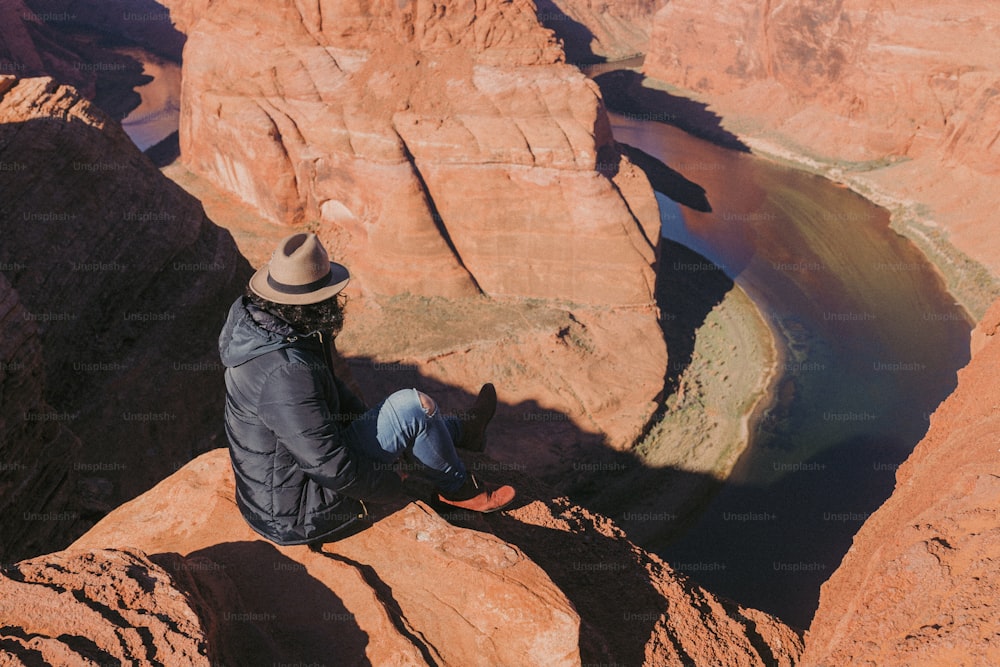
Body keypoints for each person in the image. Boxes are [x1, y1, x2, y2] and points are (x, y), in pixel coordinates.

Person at [218, 232, 516, 546]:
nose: (336, 300)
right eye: (330, 294)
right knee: (413, 407)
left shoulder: (266, 329)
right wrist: (389, 483)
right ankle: (460, 492)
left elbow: (329, 394)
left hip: (281, 489)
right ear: (311, 304)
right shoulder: (285, 370)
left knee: (408, 419)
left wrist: (381, 433)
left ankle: (460, 432)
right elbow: (327, 465)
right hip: (300, 511)